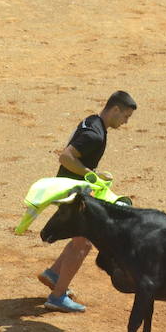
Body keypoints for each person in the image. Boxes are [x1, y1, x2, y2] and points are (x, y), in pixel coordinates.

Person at [37, 91, 138, 313]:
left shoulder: (93, 121)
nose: (126, 122)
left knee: (80, 241)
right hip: (73, 194)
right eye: (125, 116)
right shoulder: (95, 135)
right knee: (82, 244)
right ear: (115, 110)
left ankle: (54, 274)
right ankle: (57, 297)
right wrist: (90, 176)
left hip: (72, 189)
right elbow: (65, 157)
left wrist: (95, 175)